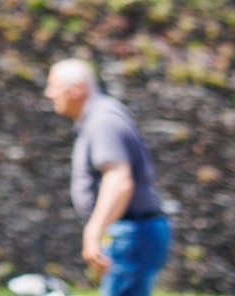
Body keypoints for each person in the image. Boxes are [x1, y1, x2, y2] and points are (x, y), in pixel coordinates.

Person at [44, 59, 170, 296]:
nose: (48, 93)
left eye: (54, 86)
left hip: (133, 232)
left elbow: (119, 180)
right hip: (132, 232)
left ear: (78, 88)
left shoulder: (103, 121)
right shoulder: (99, 117)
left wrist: (94, 231)